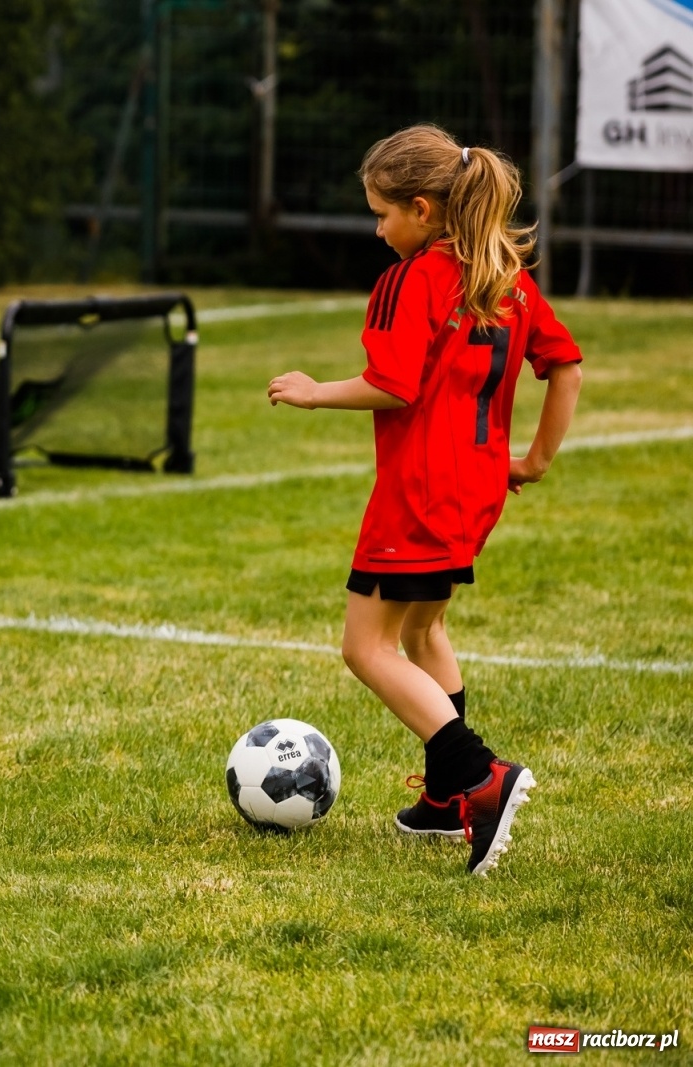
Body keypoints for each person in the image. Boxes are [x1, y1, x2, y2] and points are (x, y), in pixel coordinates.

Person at [267, 124, 583, 876]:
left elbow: (393, 384)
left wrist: (314, 392)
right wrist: (534, 462)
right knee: (423, 630)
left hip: (418, 493)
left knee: (365, 648)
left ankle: (480, 777)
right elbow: (566, 366)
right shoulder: (505, 275)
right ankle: (445, 800)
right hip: (476, 491)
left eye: (382, 214)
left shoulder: (414, 279)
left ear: (422, 208)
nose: (378, 230)